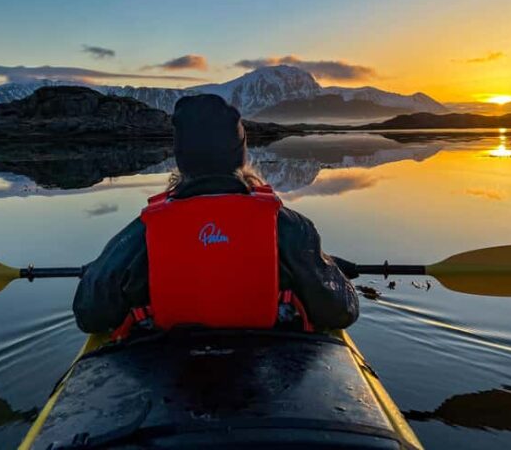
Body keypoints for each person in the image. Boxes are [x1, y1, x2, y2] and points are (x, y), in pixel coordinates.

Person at [73, 94, 358, 335]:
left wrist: (95, 275)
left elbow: (91, 316)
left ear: (181, 158)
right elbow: (340, 312)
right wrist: (328, 268)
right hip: (267, 365)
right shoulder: (291, 228)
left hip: (170, 368)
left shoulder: (143, 231)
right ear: (240, 154)